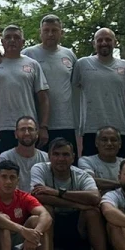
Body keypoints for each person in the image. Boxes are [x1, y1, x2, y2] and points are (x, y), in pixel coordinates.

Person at [30, 138, 121, 250]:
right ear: (49, 156)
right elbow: (38, 195)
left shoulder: (81, 175)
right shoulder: (39, 168)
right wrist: (78, 204)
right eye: (56, 154)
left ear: (73, 157)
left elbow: (94, 197)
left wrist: (57, 192)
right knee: (45, 208)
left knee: (93, 212)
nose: (61, 159)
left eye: (65, 155)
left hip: (77, 223)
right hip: (52, 220)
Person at [0, 26, 50, 156]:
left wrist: (43, 126)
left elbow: (43, 98)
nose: (12, 40)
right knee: (5, 171)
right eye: (8, 37)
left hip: (28, 129)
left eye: (16, 37)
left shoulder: (33, 64)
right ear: (2, 41)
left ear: (23, 42)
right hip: (0, 128)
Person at [72, 27, 125, 158]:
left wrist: (114, 104)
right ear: (94, 43)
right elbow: (75, 89)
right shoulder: (82, 64)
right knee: (91, 173)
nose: (104, 43)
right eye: (100, 40)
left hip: (121, 129)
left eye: (108, 39)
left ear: (115, 42)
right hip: (91, 129)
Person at [22, 15, 79, 154]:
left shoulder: (69, 55)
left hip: (65, 121)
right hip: (36, 123)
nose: (50, 34)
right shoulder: (28, 53)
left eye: (54, 30)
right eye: (46, 30)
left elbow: (76, 85)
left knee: (66, 165)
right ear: (40, 32)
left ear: (61, 32)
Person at [78, 127, 125, 193]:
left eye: (113, 140)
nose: (109, 143)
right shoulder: (86, 161)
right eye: (104, 140)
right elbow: (90, 181)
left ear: (120, 144)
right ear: (96, 143)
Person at [0, 116, 49, 192]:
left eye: (30, 129)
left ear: (37, 133)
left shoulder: (46, 157)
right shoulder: (5, 157)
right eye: (22, 129)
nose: (27, 133)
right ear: (15, 134)